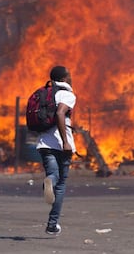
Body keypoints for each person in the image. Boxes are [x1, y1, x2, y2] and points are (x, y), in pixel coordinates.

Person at [36, 65, 76, 235]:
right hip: (60, 145)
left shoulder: (46, 94)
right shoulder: (67, 94)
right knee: (60, 186)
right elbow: (60, 114)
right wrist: (66, 142)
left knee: (52, 175)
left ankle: (49, 181)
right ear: (65, 78)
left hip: (44, 143)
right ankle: (52, 224)